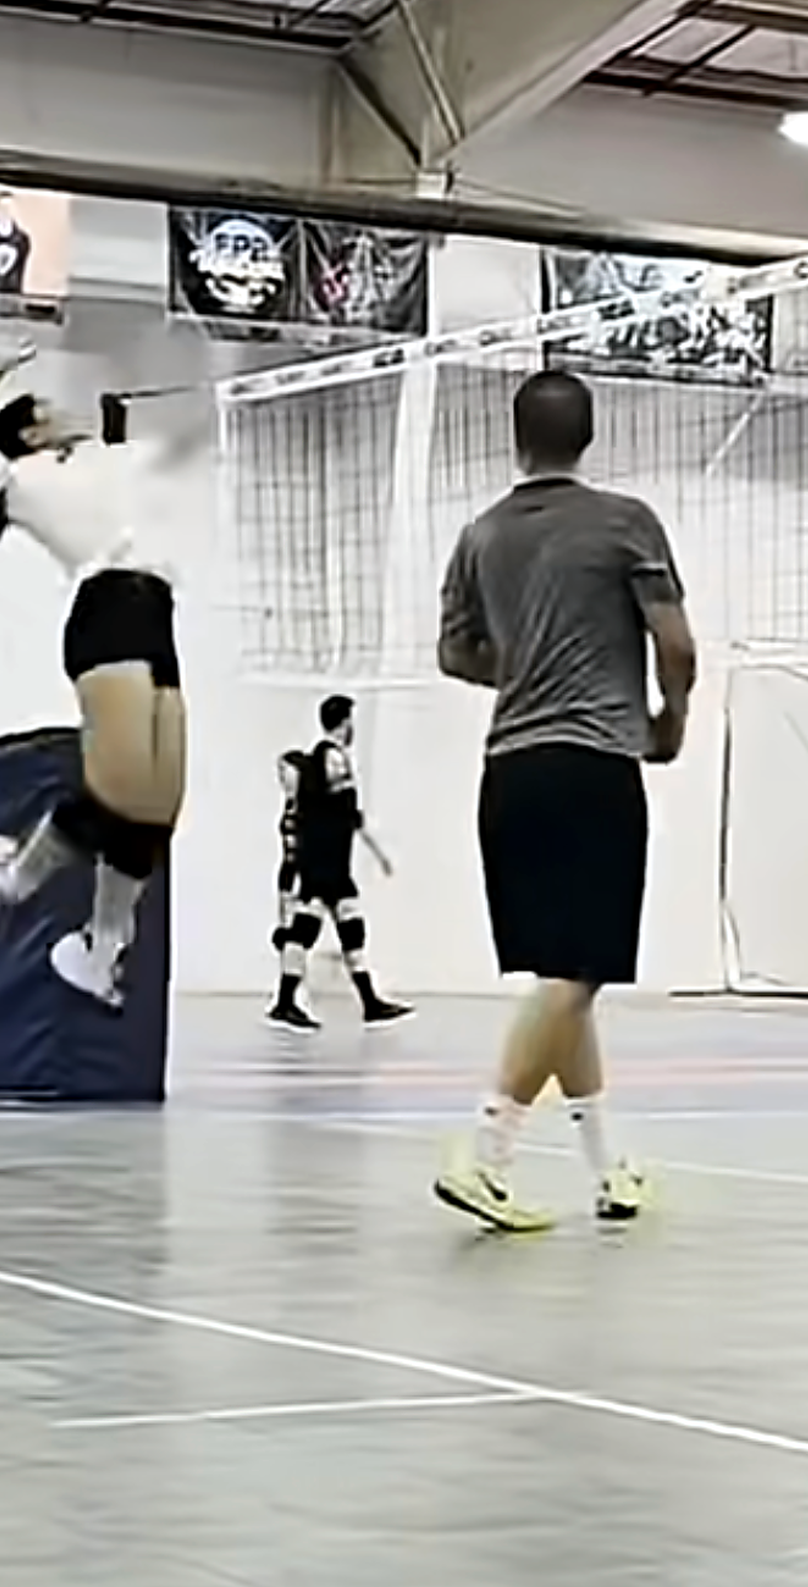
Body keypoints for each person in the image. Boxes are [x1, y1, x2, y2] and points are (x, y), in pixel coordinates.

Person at [433, 368, 697, 1232]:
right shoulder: (624, 522)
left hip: (509, 772)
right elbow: (678, 646)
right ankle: (485, 1152)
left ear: (518, 438)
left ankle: (610, 1166)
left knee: (566, 978)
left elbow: (456, 655)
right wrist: (670, 720)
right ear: (587, 436)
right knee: (577, 973)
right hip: (592, 767)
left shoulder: (479, 535)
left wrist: (529, 665)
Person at [0, 343, 186, 1007]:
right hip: (106, 613)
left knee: (159, 808)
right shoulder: (19, 481)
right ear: (31, 430)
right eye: (50, 407)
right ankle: (9, 881)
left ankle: (101, 951)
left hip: (157, 613)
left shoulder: (102, 457)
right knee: (124, 791)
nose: (66, 410)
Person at [268, 695, 411, 1030]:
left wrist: (378, 854)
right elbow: (347, 812)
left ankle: (369, 1002)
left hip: (333, 862)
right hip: (325, 863)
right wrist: (378, 852)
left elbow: (348, 816)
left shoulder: (326, 762)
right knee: (305, 931)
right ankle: (286, 1001)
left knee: (349, 928)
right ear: (344, 721)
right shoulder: (331, 757)